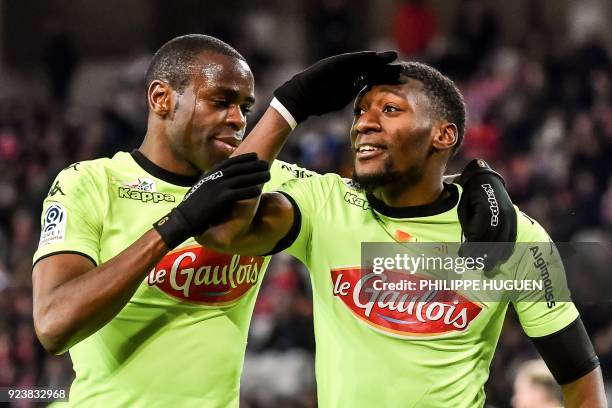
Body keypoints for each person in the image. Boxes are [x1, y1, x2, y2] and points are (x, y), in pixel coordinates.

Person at [32, 35, 516, 406]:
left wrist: (474, 178)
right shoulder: (90, 183)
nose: (238, 120)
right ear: (162, 99)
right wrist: (172, 228)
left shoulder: (264, 182)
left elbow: (387, 197)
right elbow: (53, 325)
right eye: (219, 101)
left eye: (245, 108)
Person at [197, 57, 606, 407]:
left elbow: (580, 380)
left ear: (443, 135)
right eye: (359, 112)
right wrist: (289, 106)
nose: (363, 125)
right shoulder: (324, 203)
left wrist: (475, 174)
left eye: (389, 110)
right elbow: (219, 221)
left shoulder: (513, 236)